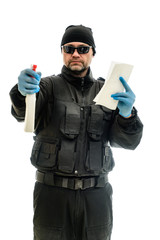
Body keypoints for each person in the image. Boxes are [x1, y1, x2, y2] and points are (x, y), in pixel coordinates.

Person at [9, 25, 143, 240]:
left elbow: (127, 142)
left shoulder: (108, 92)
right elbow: (23, 113)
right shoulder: (46, 87)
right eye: (69, 48)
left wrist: (127, 115)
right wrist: (21, 92)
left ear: (92, 52)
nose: (75, 54)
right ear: (62, 52)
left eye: (83, 49)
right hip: (52, 196)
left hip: (96, 198)